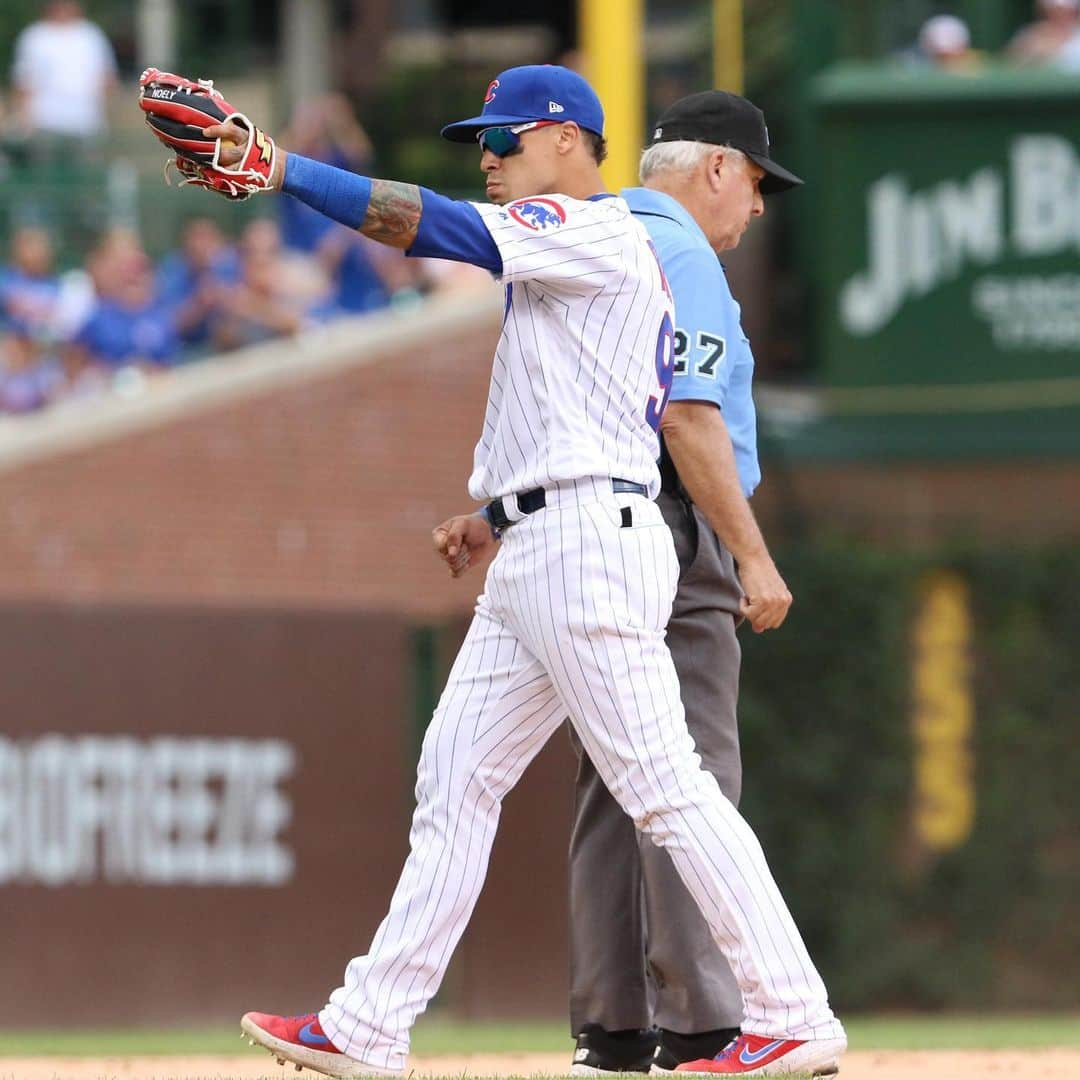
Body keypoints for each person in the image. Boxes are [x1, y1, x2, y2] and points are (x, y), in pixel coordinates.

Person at [174, 63, 846, 1079]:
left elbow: (433, 228)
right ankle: (369, 1022)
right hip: (540, 542)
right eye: (482, 140)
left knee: (665, 786)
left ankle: (793, 1011)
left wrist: (277, 168)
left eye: (507, 137)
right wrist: (494, 514)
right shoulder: (574, 247)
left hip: (589, 546)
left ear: (570, 138)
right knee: (456, 779)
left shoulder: (598, 230)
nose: (488, 156)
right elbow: (584, 409)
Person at [432, 90, 809, 1075]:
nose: (758, 207)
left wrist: (497, 516)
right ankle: (713, 1023)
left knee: (615, 784)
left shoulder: (590, 230)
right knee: (689, 781)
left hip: (581, 529)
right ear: (719, 168)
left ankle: (611, 1021)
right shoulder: (675, 245)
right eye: (758, 182)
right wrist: (752, 552)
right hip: (670, 531)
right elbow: (689, 419)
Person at [9, 1, 117, 147]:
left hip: (86, 123)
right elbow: (24, 82)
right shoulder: (34, 37)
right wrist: (23, 120)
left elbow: (106, 78)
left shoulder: (91, 35)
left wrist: (105, 115)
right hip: (44, 123)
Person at [1005, 0, 1080, 65]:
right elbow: (1011, 63)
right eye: (1054, 10)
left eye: (1067, 10)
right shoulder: (1030, 35)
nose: (1061, 15)